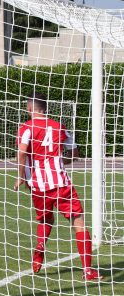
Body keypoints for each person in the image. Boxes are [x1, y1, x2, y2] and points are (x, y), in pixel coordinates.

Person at [14, 92, 102, 281]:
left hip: (37, 185)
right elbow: (74, 154)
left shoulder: (26, 128)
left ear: (29, 109)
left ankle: (39, 249)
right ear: (44, 109)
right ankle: (88, 271)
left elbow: (22, 153)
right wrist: (57, 162)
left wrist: (20, 177)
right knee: (78, 222)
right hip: (61, 183)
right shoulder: (60, 127)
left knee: (45, 220)